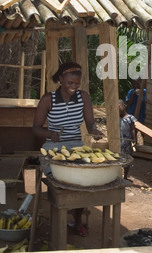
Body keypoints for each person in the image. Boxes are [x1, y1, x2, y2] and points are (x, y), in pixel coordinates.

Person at [32, 61, 103, 237]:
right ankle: (58, 221)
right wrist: (50, 134)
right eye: (70, 83)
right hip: (53, 147)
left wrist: (94, 131)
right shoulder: (48, 99)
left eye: (77, 84)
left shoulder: (83, 97)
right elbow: (36, 128)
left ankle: (77, 220)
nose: (73, 87)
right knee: (59, 181)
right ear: (61, 79)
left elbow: (90, 123)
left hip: (76, 145)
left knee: (82, 181)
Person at [119, 99, 136, 180]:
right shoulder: (116, 118)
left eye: (120, 107)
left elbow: (133, 129)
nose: (118, 110)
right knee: (118, 158)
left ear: (124, 106)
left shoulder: (130, 118)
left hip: (127, 142)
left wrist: (134, 139)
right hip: (118, 142)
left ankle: (125, 176)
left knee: (127, 159)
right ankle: (118, 176)